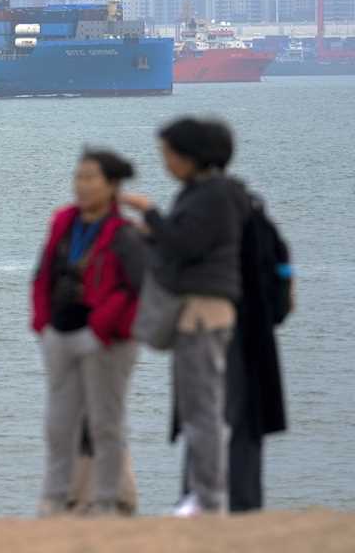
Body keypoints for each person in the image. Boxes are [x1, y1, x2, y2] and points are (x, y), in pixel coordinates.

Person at [120, 118, 248, 517]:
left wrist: (150, 213)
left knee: (202, 409)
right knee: (196, 408)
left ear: (192, 155)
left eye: (170, 154)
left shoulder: (214, 195)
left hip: (203, 314)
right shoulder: (205, 193)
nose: (166, 163)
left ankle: (208, 498)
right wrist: (150, 233)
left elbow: (186, 245)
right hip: (198, 313)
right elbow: (186, 242)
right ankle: (201, 493)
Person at [31, 150, 146, 517]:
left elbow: (138, 289)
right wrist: (42, 325)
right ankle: (55, 499)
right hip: (60, 335)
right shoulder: (63, 224)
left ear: (112, 185)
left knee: (105, 424)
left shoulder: (125, 234)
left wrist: (102, 327)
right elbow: (43, 274)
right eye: (78, 177)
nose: (81, 185)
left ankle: (108, 500)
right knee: (58, 424)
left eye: (90, 178)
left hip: (105, 341)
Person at [205, 122, 292, 513]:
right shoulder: (250, 203)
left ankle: (209, 502)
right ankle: (245, 504)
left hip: (226, 327)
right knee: (245, 421)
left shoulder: (210, 205)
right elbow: (281, 258)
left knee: (211, 418)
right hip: (256, 325)